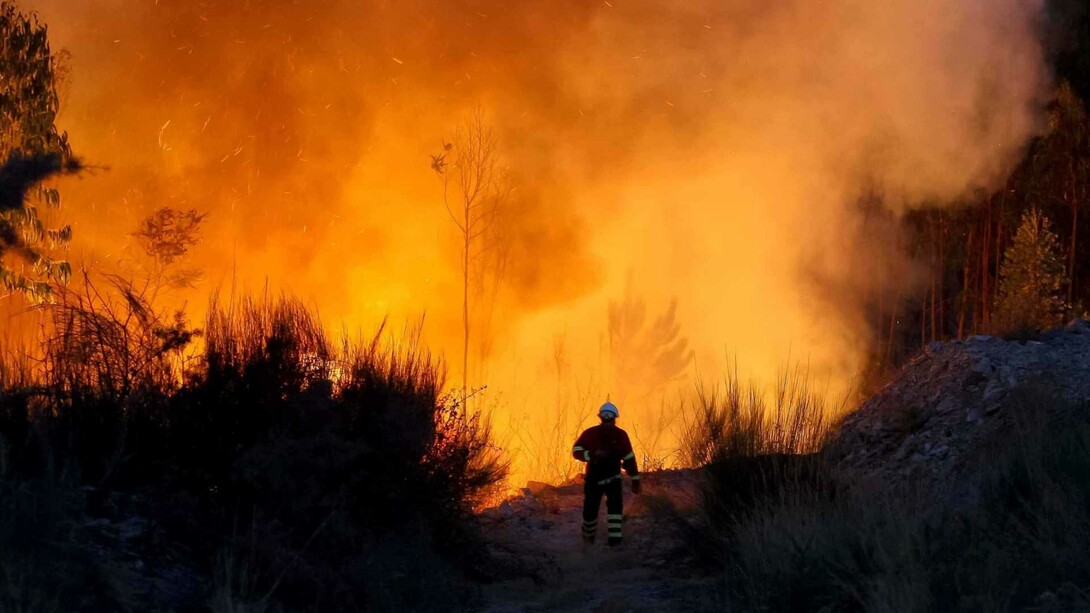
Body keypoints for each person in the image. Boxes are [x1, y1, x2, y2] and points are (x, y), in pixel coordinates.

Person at [572, 401, 640, 546]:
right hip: (593, 481)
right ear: (601, 417)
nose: (608, 420)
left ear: (614, 418)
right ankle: (588, 542)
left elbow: (629, 458)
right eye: (605, 416)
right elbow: (576, 451)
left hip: (613, 480)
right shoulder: (590, 434)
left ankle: (614, 543)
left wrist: (635, 479)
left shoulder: (621, 435)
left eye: (610, 417)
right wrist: (592, 455)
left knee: (615, 512)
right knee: (590, 513)